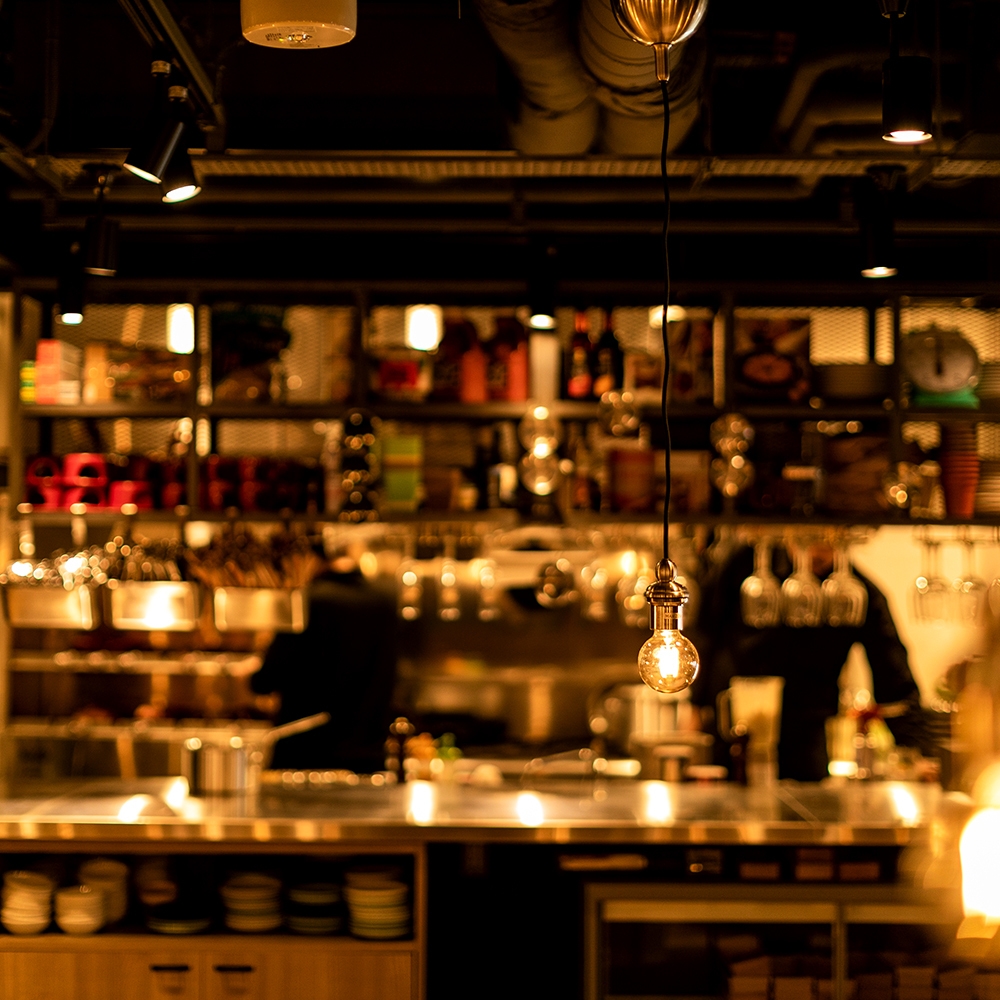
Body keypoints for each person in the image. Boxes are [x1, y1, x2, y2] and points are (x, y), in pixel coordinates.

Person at [693, 542, 923, 782]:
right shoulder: (745, 564)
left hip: (806, 734)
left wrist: (915, 752)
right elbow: (704, 633)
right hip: (737, 729)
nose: (816, 552)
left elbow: (894, 677)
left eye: (828, 543)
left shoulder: (858, 592)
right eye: (808, 540)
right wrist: (695, 706)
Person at [250, 557, 399, 773]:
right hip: (366, 756)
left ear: (310, 560)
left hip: (303, 755)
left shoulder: (305, 601)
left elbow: (265, 681)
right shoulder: (384, 603)